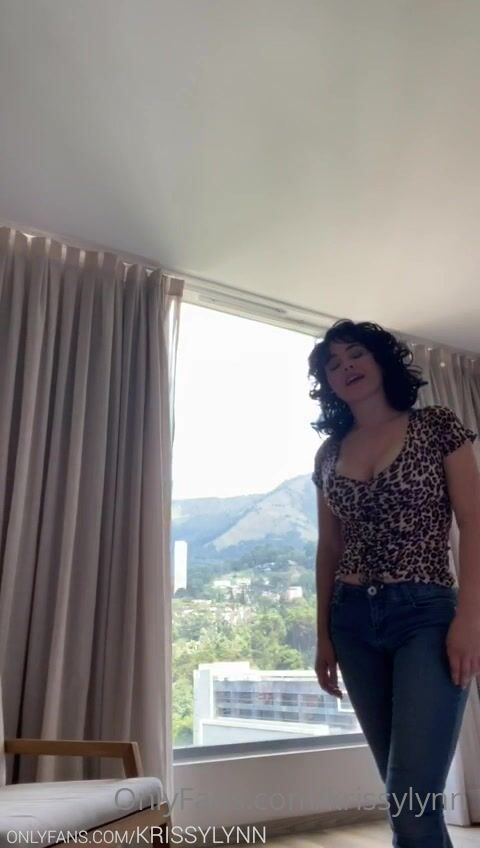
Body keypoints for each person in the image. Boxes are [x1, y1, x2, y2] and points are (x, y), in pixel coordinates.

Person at [308, 319, 480, 848]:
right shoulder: (329, 453)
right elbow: (329, 548)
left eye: (355, 354)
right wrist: (323, 635)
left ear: (381, 360)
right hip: (352, 621)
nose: (346, 368)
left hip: (426, 614)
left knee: (410, 801)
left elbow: (473, 520)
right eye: (333, 365)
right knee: (407, 800)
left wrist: (470, 618)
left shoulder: (435, 425)